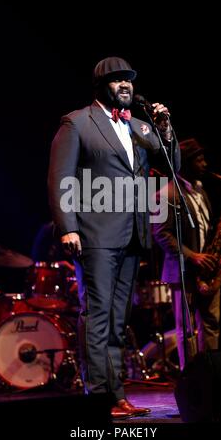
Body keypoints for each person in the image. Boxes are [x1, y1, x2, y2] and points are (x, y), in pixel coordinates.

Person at [48, 56, 180, 419]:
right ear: (101, 86)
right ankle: (100, 397)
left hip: (133, 234)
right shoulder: (77, 123)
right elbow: (61, 179)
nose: (126, 85)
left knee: (119, 320)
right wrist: (68, 226)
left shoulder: (139, 126)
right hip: (94, 234)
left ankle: (117, 395)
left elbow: (172, 167)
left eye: (129, 80)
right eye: (117, 80)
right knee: (99, 314)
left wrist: (166, 131)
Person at [153, 138, 221, 370]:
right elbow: (162, 235)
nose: (204, 164)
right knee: (188, 330)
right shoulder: (165, 194)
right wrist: (193, 257)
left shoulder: (201, 190)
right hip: (184, 271)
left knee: (211, 324)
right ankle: (192, 379)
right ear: (186, 163)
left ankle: (212, 375)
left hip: (208, 270)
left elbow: (206, 227)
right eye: (199, 159)